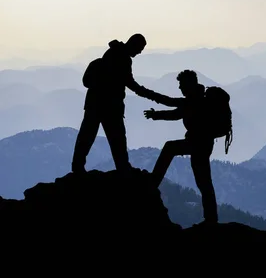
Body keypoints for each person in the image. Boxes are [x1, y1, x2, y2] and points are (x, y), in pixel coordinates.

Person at [71, 33, 160, 174]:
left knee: (87, 136)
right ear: (133, 44)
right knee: (116, 138)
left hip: (94, 103)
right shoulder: (123, 59)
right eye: (140, 48)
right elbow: (130, 83)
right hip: (110, 106)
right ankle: (122, 167)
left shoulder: (113, 52)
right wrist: (153, 95)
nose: (140, 52)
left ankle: (78, 166)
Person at [143, 69, 219, 224]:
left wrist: (150, 103)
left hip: (198, 144)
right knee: (204, 182)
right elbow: (175, 111)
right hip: (203, 145)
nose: (180, 88)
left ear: (189, 84)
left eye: (181, 84)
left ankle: (153, 183)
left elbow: (171, 106)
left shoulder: (194, 101)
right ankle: (211, 218)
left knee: (170, 148)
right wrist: (156, 114)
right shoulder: (196, 99)